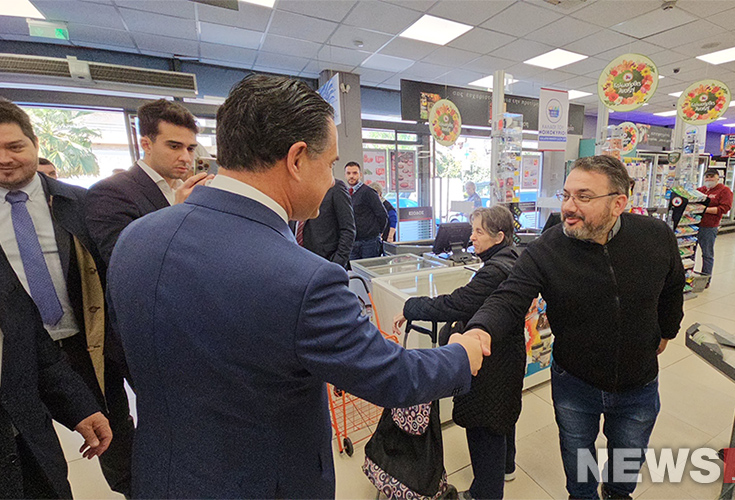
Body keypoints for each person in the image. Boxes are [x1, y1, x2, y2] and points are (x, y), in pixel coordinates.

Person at [106, 74, 488, 499]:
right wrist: (461, 354)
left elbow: (127, 354)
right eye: (330, 165)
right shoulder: (304, 278)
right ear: (297, 159)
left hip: (160, 476)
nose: (332, 181)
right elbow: (392, 376)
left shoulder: (135, 238)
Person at [464, 155, 685, 500]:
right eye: (566, 195)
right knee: (579, 462)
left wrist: (668, 330)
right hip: (575, 382)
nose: (568, 206)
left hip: (638, 382)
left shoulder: (656, 236)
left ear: (618, 203)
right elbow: (508, 298)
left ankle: (617, 493)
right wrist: (479, 329)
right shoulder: (547, 249)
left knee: (626, 460)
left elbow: (673, 286)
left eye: (583, 197)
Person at [0, 99, 129, 495]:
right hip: (16, 353)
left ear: (35, 143)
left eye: (15, 146)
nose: (5, 159)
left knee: (118, 445)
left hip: (84, 347)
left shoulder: (80, 203)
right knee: (32, 455)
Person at [393, 205, 522, 500]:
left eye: (479, 232)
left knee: (484, 423)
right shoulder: (512, 259)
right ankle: (506, 467)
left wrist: (411, 307)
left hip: (490, 362)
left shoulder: (495, 271)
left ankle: (484, 493)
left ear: (499, 236)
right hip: (507, 354)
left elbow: (455, 304)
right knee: (502, 416)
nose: (471, 237)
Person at [85, 99, 211, 388]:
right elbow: (127, 262)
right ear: (146, 143)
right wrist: (178, 213)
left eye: (191, 148)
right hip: (150, 332)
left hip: (194, 323)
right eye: (174, 146)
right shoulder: (111, 193)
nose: (185, 157)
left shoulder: (187, 188)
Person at [293, 177, 355, 269]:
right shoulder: (295, 187)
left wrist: (337, 263)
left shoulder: (335, 187)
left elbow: (348, 229)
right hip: (297, 262)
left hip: (325, 261)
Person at [696, 168, 733, 284]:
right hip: (694, 225)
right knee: (690, 253)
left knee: (707, 254)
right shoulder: (700, 190)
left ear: (718, 178)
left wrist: (705, 210)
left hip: (709, 226)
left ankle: (706, 279)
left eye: (712, 176)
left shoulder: (724, 191)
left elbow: (724, 208)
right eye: (707, 176)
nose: (709, 179)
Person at [345, 161, 387, 260]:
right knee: (354, 269)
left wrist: (377, 233)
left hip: (369, 242)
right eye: (348, 173)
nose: (351, 176)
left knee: (369, 268)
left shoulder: (368, 192)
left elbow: (382, 214)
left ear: (360, 175)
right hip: (353, 242)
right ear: (345, 175)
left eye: (355, 173)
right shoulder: (346, 193)